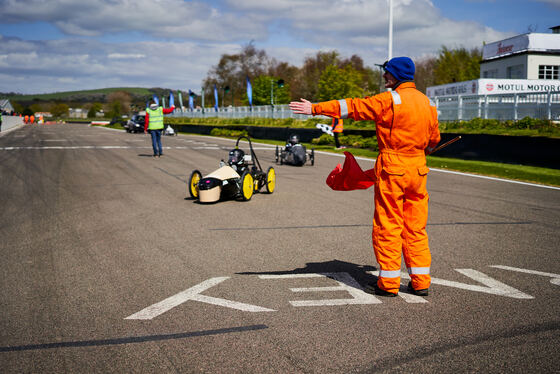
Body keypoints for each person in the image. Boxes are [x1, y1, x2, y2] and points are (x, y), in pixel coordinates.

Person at [289, 56, 440, 297]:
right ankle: (420, 281)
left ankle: (389, 284)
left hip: (394, 167)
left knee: (388, 225)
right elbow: (434, 141)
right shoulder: (427, 102)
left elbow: (352, 107)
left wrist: (315, 108)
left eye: (387, 72)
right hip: (419, 168)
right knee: (415, 227)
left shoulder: (390, 100)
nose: (384, 76)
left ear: (396, 75)